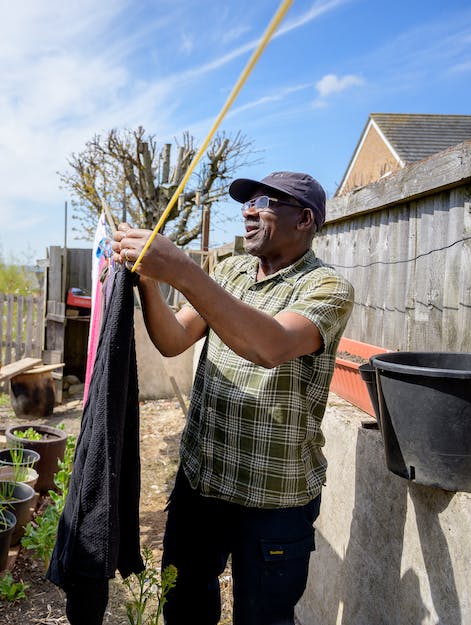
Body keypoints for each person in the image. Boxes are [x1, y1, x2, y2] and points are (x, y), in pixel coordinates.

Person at [112, 171, 354, 625]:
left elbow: (271, 346)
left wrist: (182, 270)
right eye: (246, 201)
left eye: (264, 202)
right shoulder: (230, 272)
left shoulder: (327, 288)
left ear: (304, 218)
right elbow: (173, 339)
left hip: (273, 501)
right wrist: (148, 280)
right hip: (202, 480)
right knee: (183, 607)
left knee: (262, 617)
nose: (247, 210)